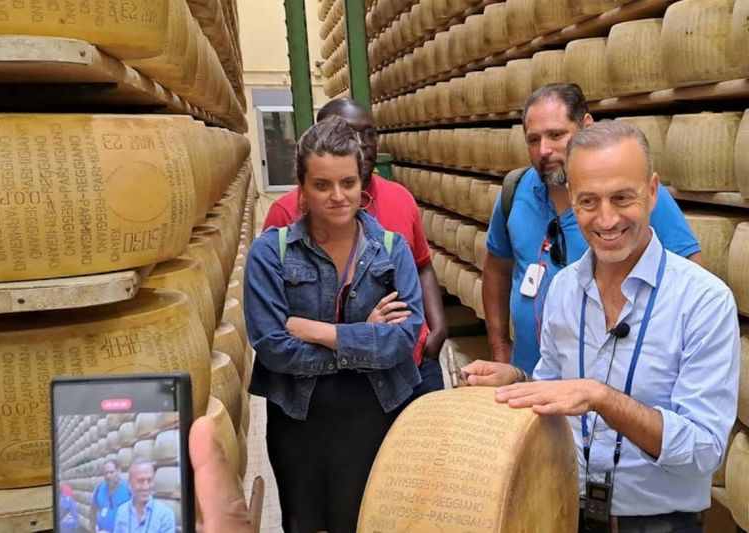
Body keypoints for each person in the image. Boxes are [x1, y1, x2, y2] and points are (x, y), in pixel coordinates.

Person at [465, 121, 739, 533]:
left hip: (658, 523)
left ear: (652, 192)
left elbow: (705, 450)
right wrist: (519, 380)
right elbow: (556, 392)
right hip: (562, 509)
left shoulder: (703, 300)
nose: (606, 219)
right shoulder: (562, 290)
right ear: (571, 199)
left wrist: (601, 398)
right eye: (589, 201)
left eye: (622, 197)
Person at [245, 115, 424, 532]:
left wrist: (320, 332)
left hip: (374, 410)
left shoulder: (391, 249)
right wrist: (366, 337)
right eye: (322, 185)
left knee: (367, 520)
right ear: (302, 189)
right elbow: (274, 347)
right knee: (304, 522)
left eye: (347, 183)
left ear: (363, 184)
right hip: (299, 416)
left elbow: (402, 340)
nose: (337, 196)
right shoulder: (270, 254)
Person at [484, 83, 703, 374]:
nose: (544, 150)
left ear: (586, 125)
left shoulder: (634, 197)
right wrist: (500, 350)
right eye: (533, 139)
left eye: (556, 135)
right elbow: (497, 269)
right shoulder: (515, 191)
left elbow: (690, 275)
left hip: (612, 386)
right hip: (532, 378)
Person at [263, 97, 447, 398]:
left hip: (412, 364)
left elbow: (422, 264)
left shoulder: (400, 197)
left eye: (369, 134)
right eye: (349, 134)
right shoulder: (285, 215)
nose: (362, 144)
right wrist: (365, 336)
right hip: (333, 382)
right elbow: (274, 332)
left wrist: (437, 331)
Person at [113, 459, 175, 533]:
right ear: (130, 484)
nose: (146, 487)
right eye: (140, 481)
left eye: (149, 480)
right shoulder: (122, 512)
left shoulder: (165, 515)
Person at [90, 459, 132, 533]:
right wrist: (93, 528)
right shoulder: (99, 489)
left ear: (119, 471)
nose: (108, 476)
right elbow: (93, 510)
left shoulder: (128, 489)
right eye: (106, 473)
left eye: (111, 472)